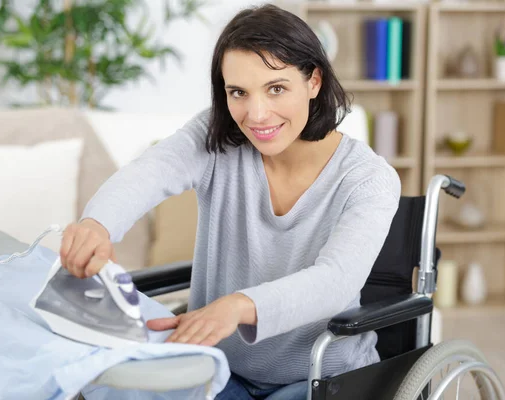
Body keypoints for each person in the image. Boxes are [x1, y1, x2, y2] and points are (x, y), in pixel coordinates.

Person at [59, 3, 400, 400]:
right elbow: (150, 172)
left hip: (319, 379)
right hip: (218, 370)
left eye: (276, 88)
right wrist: (97, 224)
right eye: (238, 92)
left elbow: (335, 280)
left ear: (313, 81)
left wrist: (238, 307)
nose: (256, 115)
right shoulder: (215, 138)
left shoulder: (368, 178)